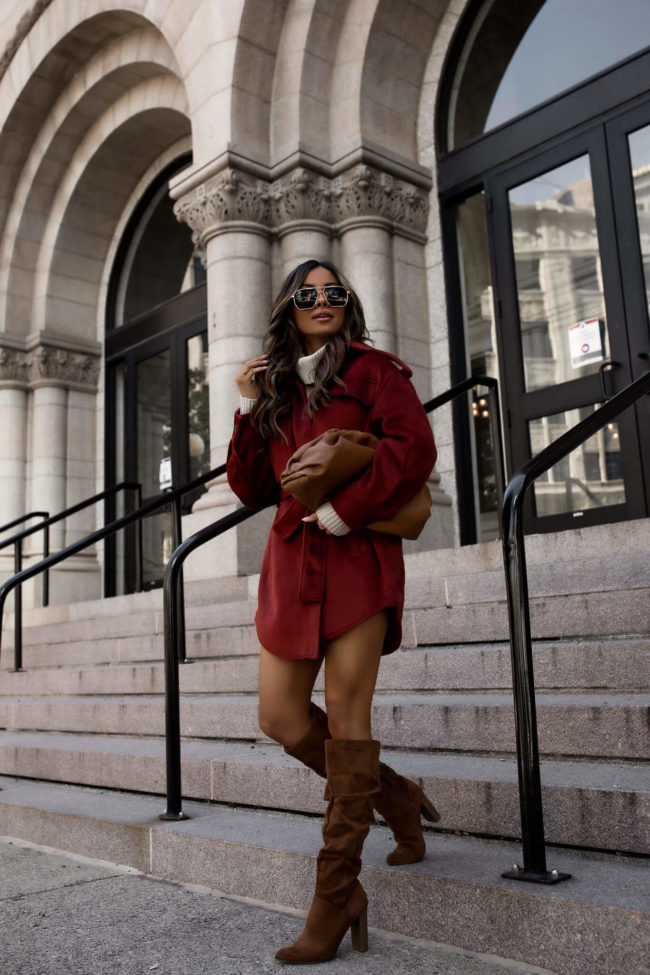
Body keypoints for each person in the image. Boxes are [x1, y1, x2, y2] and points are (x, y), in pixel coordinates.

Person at [226, 259, 439, 965]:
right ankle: (395, 795)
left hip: (357, 560)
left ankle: (336, 894)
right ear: (288, 309)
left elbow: (415, 449)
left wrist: (349, 509)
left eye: (335, 293)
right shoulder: (279, 388)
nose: (322, 302)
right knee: (281, 716)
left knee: (349, 721)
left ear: (349, 305)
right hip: (293, 564)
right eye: (308, 294)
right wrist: (250, 403)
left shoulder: (378, 373)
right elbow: (251, 485)